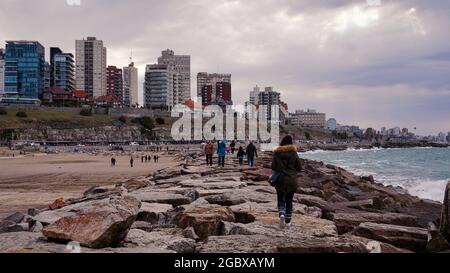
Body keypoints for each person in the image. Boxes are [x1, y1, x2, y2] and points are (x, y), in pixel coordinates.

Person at [271, 135, 302, 229]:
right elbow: (299, 168)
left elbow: (273, 167)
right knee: (289, 200)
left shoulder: (277, 153)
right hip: (291, 180)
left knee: (280, 199)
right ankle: (288, 221)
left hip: (280, 180)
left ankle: (281, 214)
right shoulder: (294, 153)